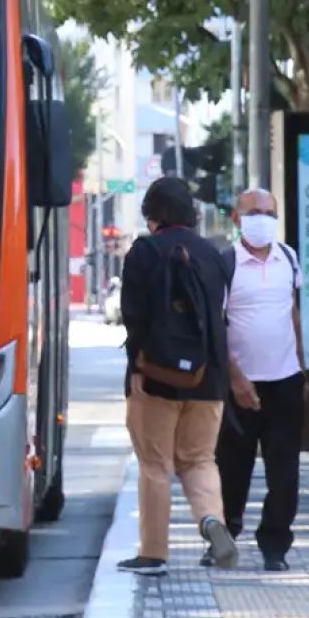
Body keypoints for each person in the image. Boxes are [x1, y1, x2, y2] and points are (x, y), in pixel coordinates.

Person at [116, 177, 237, 576]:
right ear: (192, 213)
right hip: (209, 378)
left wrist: (139, 367)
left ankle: (153, 553)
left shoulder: (143, 253)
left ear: (151, 214)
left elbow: (134, 319)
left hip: (155, 378)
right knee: (199, 459)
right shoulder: (214, 254)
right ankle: (211, 520)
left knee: (155, 464)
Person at [216, 187, 304, 571]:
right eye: (254, 211)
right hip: (240, 384)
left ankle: (275, 545)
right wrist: (235, 377)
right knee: (232, 468)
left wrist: (301, 367)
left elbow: (293, 314)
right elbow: (216, 327)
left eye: (270, 212)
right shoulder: (225, 263)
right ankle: (225, 535)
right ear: (237, 218)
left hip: (284, 380)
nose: (263, 219)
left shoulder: (289, 258)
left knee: (284, 470)